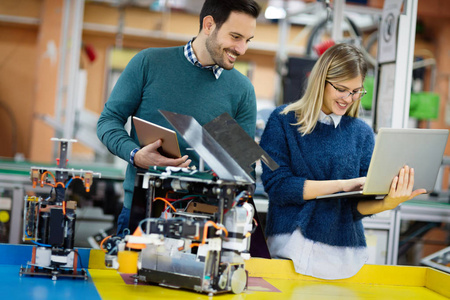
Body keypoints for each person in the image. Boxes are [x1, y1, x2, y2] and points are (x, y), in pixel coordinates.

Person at [259, 43, 427, 280]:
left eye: (357, 91)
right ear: (321, 81)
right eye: (342, 89)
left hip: (345, 261)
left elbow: (353, 209)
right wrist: (342, 185)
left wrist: (388, 203)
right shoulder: (283, 121)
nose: (349, 98)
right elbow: (279, 187)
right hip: (290, 254)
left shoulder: (361, 133)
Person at [97, 0, 261, 235]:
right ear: (208, 25)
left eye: (248, 40)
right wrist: (135, 155)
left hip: (207, 223)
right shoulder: (149, 64)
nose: (242, 49)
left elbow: (244, 168)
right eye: (235, 37)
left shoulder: (241, 90)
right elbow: (108, 121)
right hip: (143, 214)